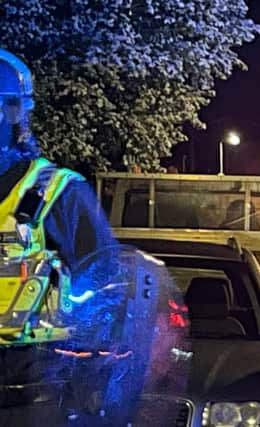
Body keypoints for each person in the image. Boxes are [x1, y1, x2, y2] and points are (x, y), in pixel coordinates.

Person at [0, 48, 157, 426]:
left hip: (32, 390)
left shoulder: (58, 193)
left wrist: (94, 371)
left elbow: (107, 289)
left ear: (14, 114)